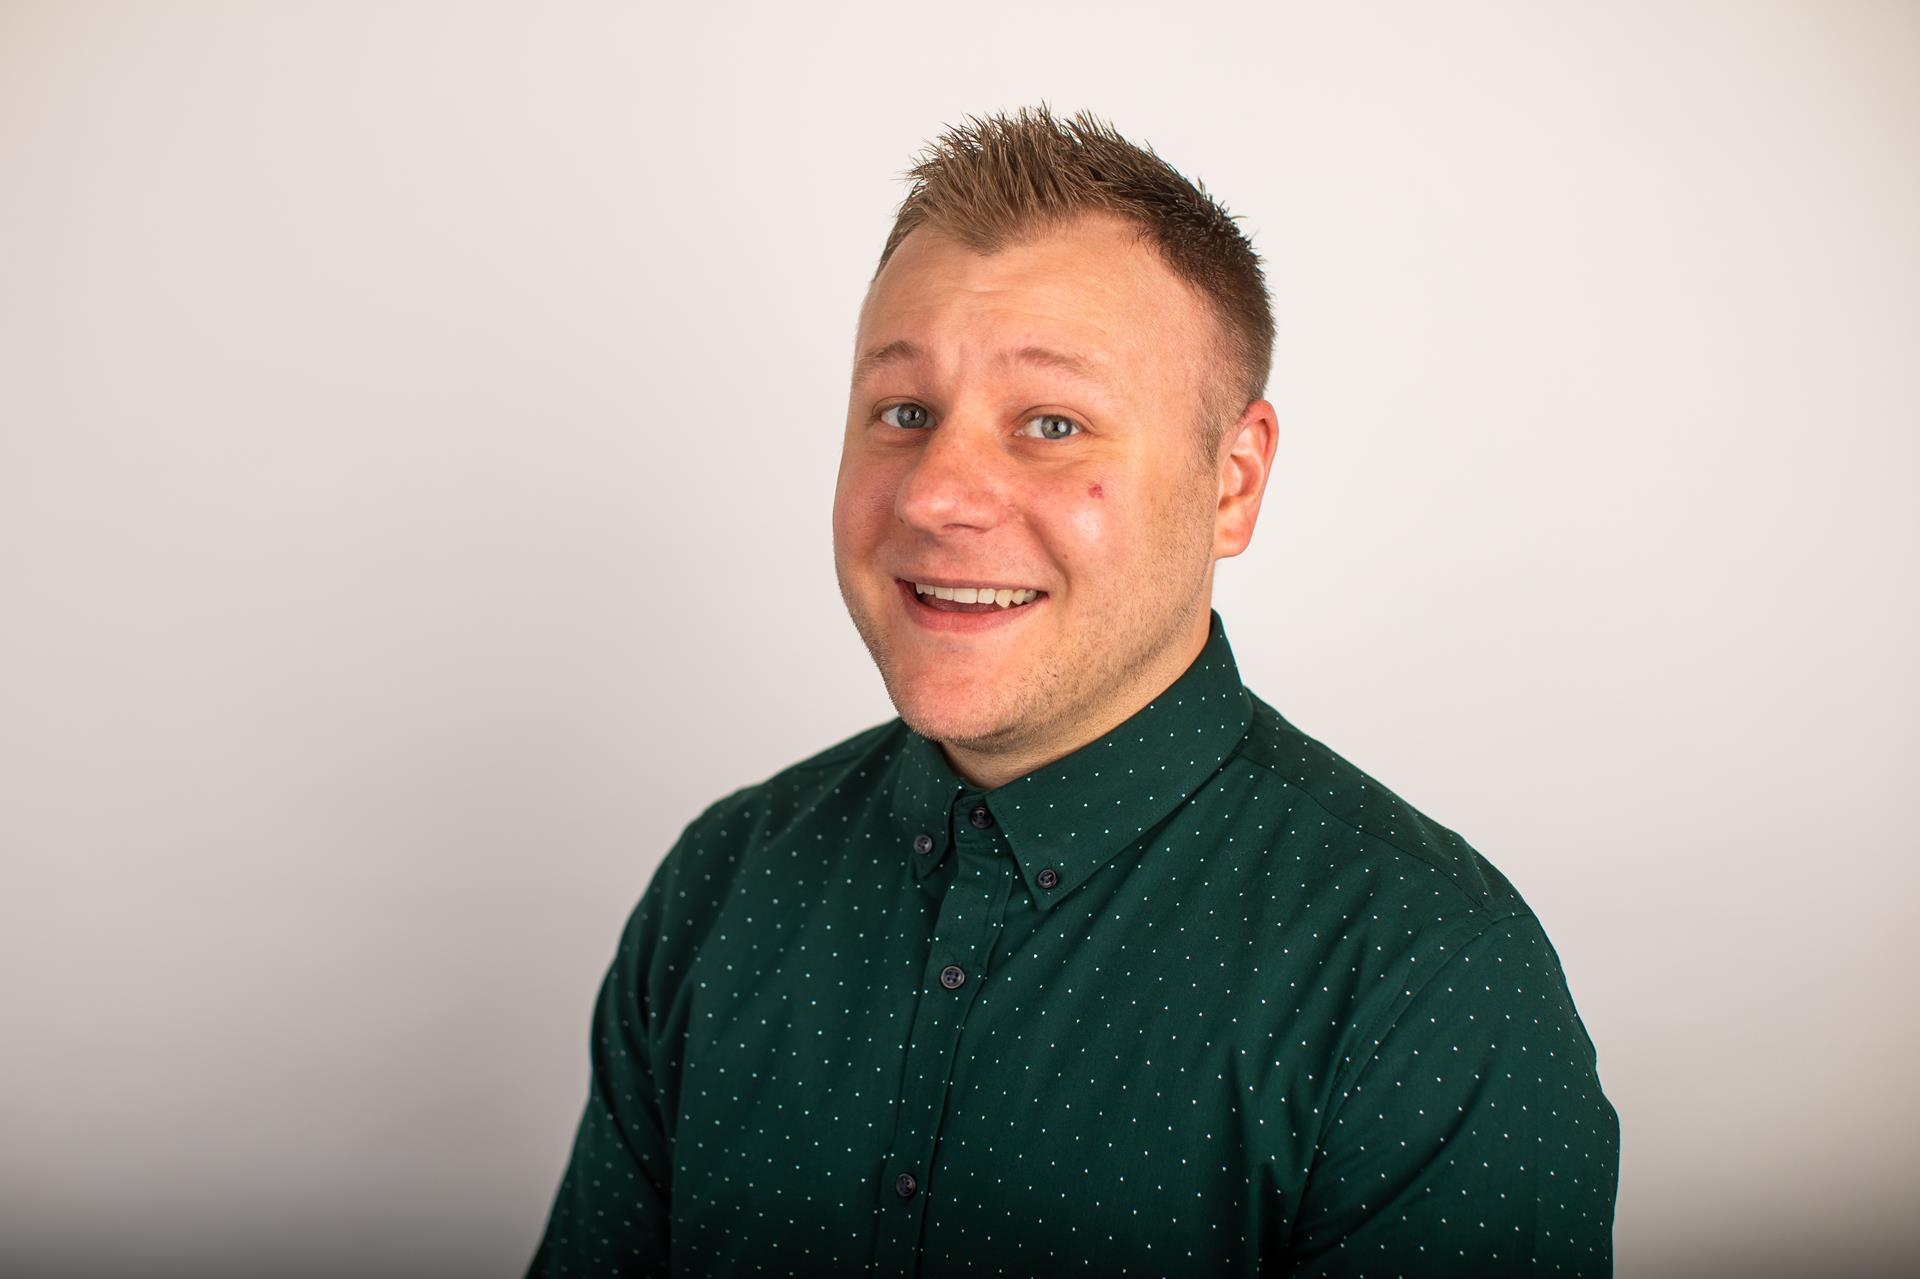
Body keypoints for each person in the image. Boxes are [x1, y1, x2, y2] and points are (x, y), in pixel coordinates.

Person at [526, 105, 1619, 1277]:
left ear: (1232, 482)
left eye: (1051, 423)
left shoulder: (1428, 983)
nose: (935, 495)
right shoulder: (724, 883)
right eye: (904, 413)